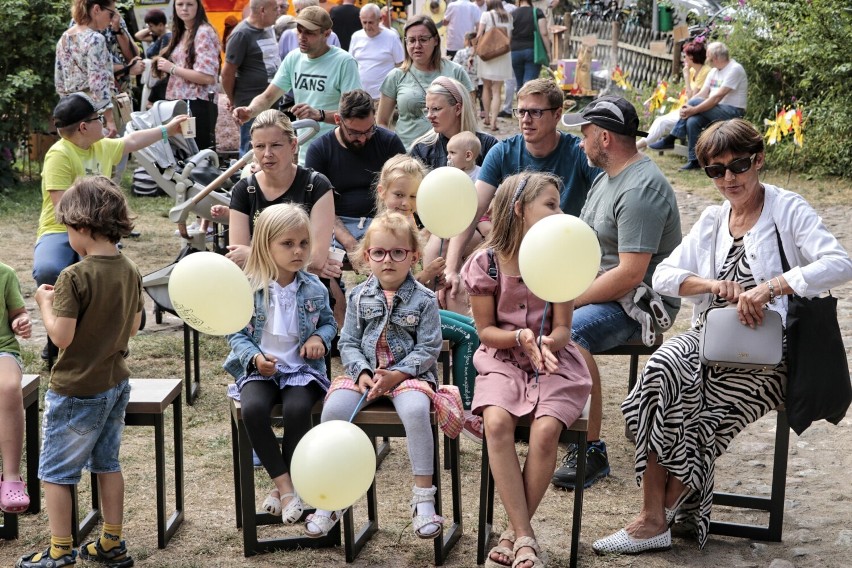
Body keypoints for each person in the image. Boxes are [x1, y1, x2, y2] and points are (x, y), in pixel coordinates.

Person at [593, 118, 852, 555]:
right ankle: (653, 513)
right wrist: (714, 286)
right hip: (710, 337)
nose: (729, 178)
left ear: (759, 160)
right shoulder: (713, 220)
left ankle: (658, 516)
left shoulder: (787, 209)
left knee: (705, 407)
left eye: (739, 165)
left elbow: (840, 263)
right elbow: (666, 276)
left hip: (772, 353)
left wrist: (773, 287)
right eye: (716, 171)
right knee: (659, 375)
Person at [460, 172, 593, 568]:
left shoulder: (561, 256)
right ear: (519, 210)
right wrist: (521, 338)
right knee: (496, 423)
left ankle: (513, 536)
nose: (560, 212)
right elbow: (485, 331)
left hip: (553, 363)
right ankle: (525, 536)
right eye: (550, 204)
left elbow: (564, 328)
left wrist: (552, 342)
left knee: (547, 429)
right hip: (503, 358)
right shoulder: (486, 263)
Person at [551, 95, 682, 491]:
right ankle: (552, 415)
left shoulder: (641, 189)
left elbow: (629, 274)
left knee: (568, 333)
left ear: (604, 138)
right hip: (605, 291)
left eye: (585, 133)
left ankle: (591, 449)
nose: (579, 141)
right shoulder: (607, 177)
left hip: (637, 305)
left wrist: (571, 301)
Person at [20, 176, 143, 568]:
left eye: (67, 228)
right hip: (115, 383)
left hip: (76, 390)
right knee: (108, 463)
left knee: (56, 472)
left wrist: (43, 302)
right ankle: (111, 541)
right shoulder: (130, 268)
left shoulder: (74, 276)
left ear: (84, 227)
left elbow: (62, 336)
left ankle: (59, 550)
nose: (67, 236)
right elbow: (136, 326)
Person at [305, 211, 447, 539]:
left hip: (410, 376)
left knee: (414, 411)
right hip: (365, 375)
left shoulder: (424, 300)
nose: (388, 260)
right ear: (367, 256)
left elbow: (428, 348)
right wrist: (363, 372)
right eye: (379, 253)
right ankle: (332, 496)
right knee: (334, 410)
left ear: (413, 256)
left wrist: (397, 374)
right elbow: (349, 342)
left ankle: (423, 499)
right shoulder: (357, 297)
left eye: (398, 253)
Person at [33, 93, 187, 364]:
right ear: (83, 127)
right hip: (60, 228)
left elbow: (131, 142)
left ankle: (113, 333)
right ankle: (55, 340)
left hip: (98, 230)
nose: (105, 122)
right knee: (49, 270)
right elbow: (64, 211)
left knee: (106, 276)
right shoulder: (59, 155)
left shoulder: (101, 146)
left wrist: (167, 130)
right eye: (98, 118)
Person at [443, 78, 601, 312]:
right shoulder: (502, 152)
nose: (525, 120)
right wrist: (451, 268)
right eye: (521, 112)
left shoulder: (578, 152)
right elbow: (473, 210)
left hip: (562, 254)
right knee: (454, 290)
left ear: (557, 115)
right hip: (512, 253)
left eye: (535, 112)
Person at [223, 203, 337, 525]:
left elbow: (328, 324)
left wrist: (320, 339)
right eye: (287, 244)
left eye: (303, 243)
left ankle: (282, 491)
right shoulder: (248, 287)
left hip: (301, 370)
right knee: (254, 410)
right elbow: (235, 332)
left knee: (298, 411)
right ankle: (286, 486)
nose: (298, 251)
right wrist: (256, 358)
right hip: (261, 368)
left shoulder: (314, 286)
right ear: (265, 246)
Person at [373, 155, 482, 438]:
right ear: (382, 192)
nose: (406, 203)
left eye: (414, 196)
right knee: (468, 336)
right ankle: (467, 411)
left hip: (413, 310)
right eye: (399, 194)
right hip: (391, 319)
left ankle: (462, 402)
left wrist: (433, 279)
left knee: (472, 327)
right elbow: (386, 288)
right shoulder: (385, 229)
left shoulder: (408, 226)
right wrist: (424, 276)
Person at [224, 110, 339, 290]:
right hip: (259, 288)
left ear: (293, 145)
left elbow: (316, 260)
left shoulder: (316, 185)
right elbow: (238, 259)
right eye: (260, 146)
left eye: (276, 145)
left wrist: (254, 255)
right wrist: (300, 261)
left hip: (307, 288)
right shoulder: (244, 190)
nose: (267, 153)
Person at [234, 5, 362, 164]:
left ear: (327, 34)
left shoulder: (344, 62)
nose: (301, 37)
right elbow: (268, 97)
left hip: (337, 150)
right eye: (299, 30)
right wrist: (250, 111)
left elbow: (354, 114)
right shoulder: (294, 58)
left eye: (309, 32)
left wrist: (320, 114)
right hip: (305, 150)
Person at [306, 89, 405, 265]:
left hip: (383, 219)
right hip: (335, 224)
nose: (363, 139)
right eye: (354, 133)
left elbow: (404, 191)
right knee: (318, 255)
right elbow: (317, 206)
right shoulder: (320, 149)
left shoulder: (388, 142)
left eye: (369, 130)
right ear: (338, 120)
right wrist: (350, 242)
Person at [377, 16, 474, 150]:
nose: (417, 45)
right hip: (408, 155)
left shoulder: (456, 71)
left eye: (423, 39)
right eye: (411, 40)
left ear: (435, 40)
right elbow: (381, 121)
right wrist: (390, 149)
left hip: (450, 154)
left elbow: (470, 115)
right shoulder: (396, 76)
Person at [650, 42, 747, 171]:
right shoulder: (713, 71)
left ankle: (672, 138)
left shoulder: (735, 69)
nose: (706, 60)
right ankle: (694, 160)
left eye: (708, 57)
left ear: (715, 58)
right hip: (716, 109)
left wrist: (693, 109)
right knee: (692, 121)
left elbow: (716, 98)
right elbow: (703, 94)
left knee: (694, 105)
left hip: (732, 111)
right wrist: (687, 107)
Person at [156, 0, 222, 151]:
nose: (184, 8)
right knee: (184, 154)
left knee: (198, 157)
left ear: (198, 6)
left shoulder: (203, 32)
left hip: (197, 104)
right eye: (180, 4)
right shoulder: (183, 31)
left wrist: (172, 68)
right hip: (182, 103)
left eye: (189, 4)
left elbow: (207, 77)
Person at [222, 0, 282, 157]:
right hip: (250, 103)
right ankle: (248, 180)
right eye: (275, 9)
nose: (279, 12)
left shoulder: (268, 29)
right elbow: (227, 73)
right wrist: (233, 99)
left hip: (271, 100)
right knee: (252, 152)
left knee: (271, 150)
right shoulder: (241, 34)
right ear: (262, 10)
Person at [55, 0, 120, 137]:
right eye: (111, 13)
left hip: (74, 111)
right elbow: (98, 83)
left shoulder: (64, 39)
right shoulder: (95, 39)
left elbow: (59, 83)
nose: (112, 19)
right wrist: (110, 119)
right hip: (96, 111)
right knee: (111, 155)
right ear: (96, 9)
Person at [410, 76, 497, 170]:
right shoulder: (421, 149)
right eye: (427, 109)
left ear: (458, 109)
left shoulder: (488, 145)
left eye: (436, 109)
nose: (429, 116)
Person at [637, 41, 710, 151]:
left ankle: (636, 147)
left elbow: (692, 99)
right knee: (659, 121)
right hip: (687, 109)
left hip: (697, 111)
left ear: (691, 57)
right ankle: (639, 148)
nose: (684, 58)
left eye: (685, 56)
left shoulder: (705, 72)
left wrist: (686, 77)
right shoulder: (691, 70)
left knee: (661, 122)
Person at [0, 263, 32, 516]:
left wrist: (21, 322)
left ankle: (11, 475)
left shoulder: (5, 273)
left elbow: (18, 313)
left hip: (2, 350)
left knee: (9, 386)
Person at [348, 3, 405, 102]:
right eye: (364, 22)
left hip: (383, 97)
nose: (367, 26)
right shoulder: (356, 36)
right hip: (360, 97)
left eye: (371, 22)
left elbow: (401, 64)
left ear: (379, 19)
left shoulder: (391, 37)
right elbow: (351, 64)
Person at [475, 0, 513, 132]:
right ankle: (493, 122)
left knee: (486, 87)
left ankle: (486, 117)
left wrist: (474, 50)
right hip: (502, 55)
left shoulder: (486, 15)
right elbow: (509, 37)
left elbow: (479, 34)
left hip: (488, 54)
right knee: (497, 90)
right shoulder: (508, 16)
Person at [509, 0, 550, 87]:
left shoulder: (512, 14)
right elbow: (544, 33)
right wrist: (548, 52)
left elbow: (508, 35)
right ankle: (528, 99)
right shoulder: (537, 12)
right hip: (533, 51)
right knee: (530, 84)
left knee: (519, 83)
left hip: (515, 51)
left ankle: (520, 99)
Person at [452, 32, 481, 113]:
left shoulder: (460, 52)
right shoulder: (479, 53)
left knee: (460, 100)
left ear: (467, 41)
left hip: (460, 81)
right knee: (472, 101)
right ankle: (472, 116)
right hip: (474, 81)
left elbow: (455, 65)